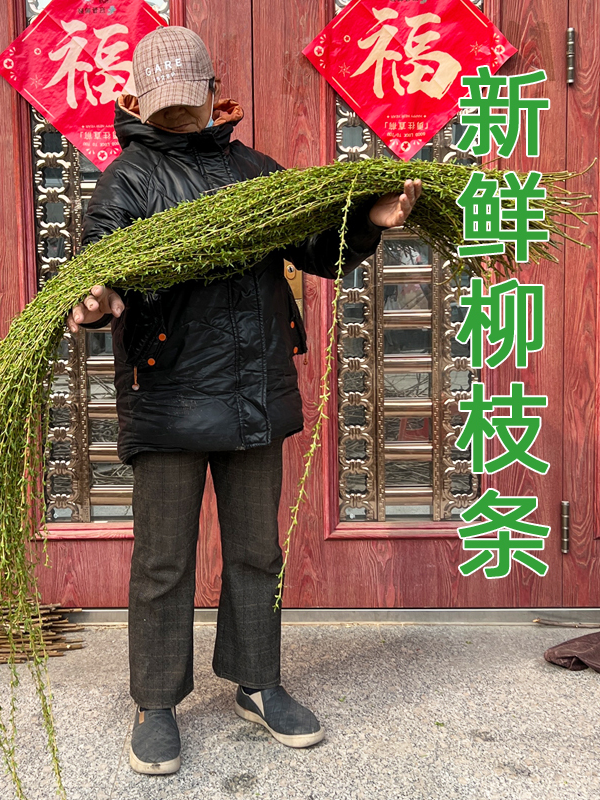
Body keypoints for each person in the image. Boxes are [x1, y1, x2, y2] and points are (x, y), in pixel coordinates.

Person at [68, 26, 422, 775]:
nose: (173, 113)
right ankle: (155, 701)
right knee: (163, 559)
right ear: (133, 99)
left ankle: (257, 683)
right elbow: (98, 270)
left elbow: (313, 250)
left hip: (253, 390)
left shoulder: (254, 173)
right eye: (157, 102)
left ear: (211, 94)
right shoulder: (127, 179)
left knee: (256, 552)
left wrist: (371, 223)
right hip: (167, 392)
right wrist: (94, 303)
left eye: (184, 99)